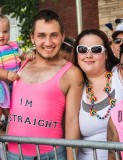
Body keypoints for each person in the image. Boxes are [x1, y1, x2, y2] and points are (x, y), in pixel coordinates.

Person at [7, 9, 83, 160]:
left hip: (49, 155)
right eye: (41, 36)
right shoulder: (22, 64)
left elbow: (72, 122)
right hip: (12, 154)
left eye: (53, 35)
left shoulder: (71, 73)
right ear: (32, 38)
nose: (48, 43)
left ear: (62, 36)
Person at [73, 29, 123, 160]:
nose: (88, 55)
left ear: (106, 54)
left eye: (96, 49)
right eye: (82, 49)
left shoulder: (122, 74)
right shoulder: (76, 85)